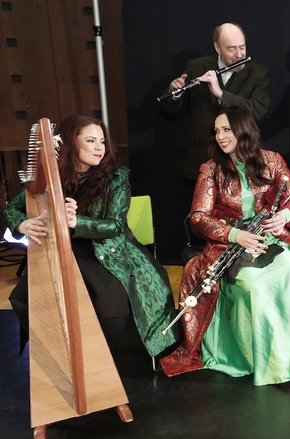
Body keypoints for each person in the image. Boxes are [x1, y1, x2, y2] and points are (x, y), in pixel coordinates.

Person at [159, 106, 290, 390]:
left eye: (226, 129)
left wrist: (283, 217)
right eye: (217, 131)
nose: (221, 136)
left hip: (271, 237)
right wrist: (235, 235)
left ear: (243, 129)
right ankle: (269, 362)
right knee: (255, 286)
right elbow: (198, 216)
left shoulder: (272, 160)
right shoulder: (211, 169)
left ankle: (288, 357)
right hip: (229, 242)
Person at [5, 115, 178, 358]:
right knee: (23, 300)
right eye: (90, 140)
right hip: (63, 249)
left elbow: (116, 226)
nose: (99, 148)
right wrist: (21, 224)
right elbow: (11, 208)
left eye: (102, 141)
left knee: (110, 313)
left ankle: (98, 361)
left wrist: (77, 222)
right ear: (70, 143)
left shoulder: (116, 177)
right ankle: (60, 352)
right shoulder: (52, 177)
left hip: (109, 251)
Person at [160, 22, 271, 180]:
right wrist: (174, 93)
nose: (239, 54)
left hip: (241, 156)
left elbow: (257, 110)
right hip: (201, 154)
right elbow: (171, 109)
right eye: (231, 48)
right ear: (217, 47)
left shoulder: (259, 73)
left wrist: (220, 94)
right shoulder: (196, 67)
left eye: (242, 47)